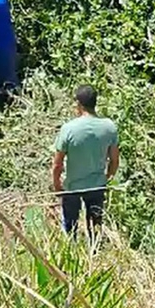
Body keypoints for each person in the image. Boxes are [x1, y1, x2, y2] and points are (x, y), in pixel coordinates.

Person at [52, 85, 119, 245]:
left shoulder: (68, 129)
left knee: (70, 228)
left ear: (78, 104)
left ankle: (71, 256)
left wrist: (57, 184)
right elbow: (115, 160)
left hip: (72, 187)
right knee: (95, 225)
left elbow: (57, 164)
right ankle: (94, 256)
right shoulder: (109, 127)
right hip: (96, 186)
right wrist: (107, 177)